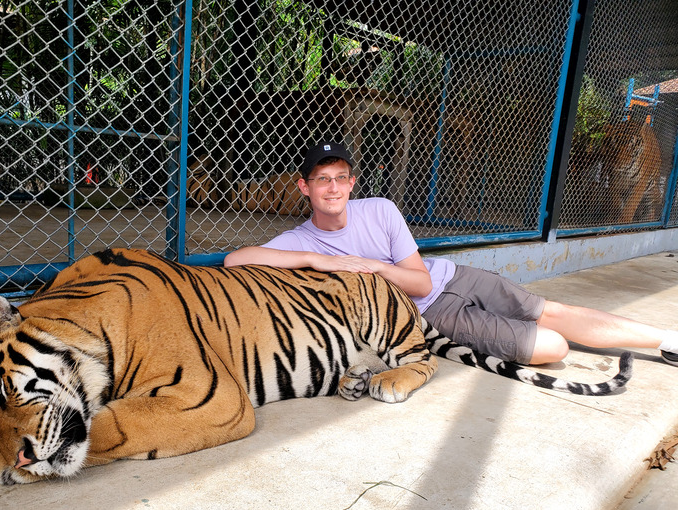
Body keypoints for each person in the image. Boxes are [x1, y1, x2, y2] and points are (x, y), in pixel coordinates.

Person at [224, 141, 678, 367]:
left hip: (452, 276)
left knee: (550, 310)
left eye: (340, 177)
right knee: (553, 347)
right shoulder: (298, 241)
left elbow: (420, 278)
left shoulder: (380, 209)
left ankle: (665, 340)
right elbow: (234, 260)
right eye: (322, 179)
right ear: (304, 186)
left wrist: (371, 267)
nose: (333, 188)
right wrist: (323, 261)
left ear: (352, 183)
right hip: (432, 315)